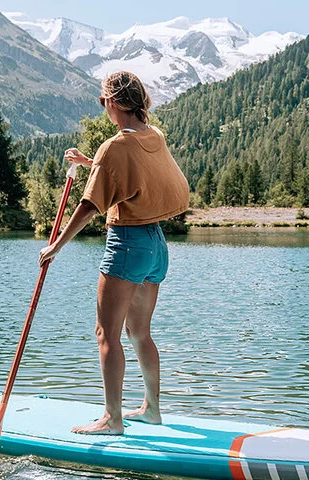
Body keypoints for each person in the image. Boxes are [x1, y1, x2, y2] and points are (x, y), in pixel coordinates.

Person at [38, 71, 190, 435]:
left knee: (106, 334)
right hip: (156, 245)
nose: (102, 107)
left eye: (102, 101)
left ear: (115, 102)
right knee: (140, 332)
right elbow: (134, 175)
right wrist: (94, 164)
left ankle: (112, 419)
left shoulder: (115, 145)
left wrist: (56, 244)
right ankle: (152, 409)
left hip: (127, 244)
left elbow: (91, 206)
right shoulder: (153, 136)